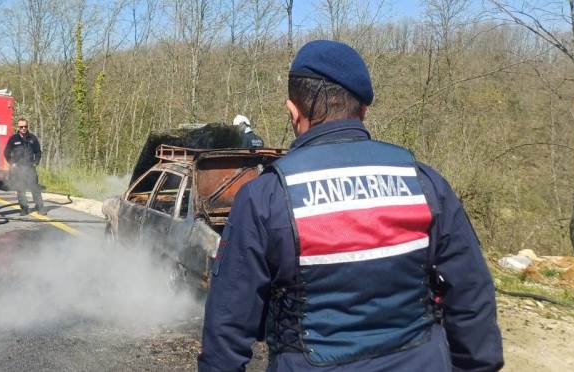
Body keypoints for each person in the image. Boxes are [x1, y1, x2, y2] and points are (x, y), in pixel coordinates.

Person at [198, 40, 504, 372]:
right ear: (363, 110)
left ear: (293, 111)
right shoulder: (424, 183)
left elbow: (226, 332)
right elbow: (472, 297)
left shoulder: (264, 198)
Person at [3, 118, 45, 215]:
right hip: (18, 169)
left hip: (30, 168)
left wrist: (36, 162)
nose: (23, 128)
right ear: (18, 127)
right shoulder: (13, 139)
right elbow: (6, 152)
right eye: (21, 127)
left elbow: (38, 152)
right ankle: (24, 208)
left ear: (27, 127)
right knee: (21, 189)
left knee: (35, 188)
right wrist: (11, 163)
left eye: (25, 126)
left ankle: (40, 207)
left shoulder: (32, 138)